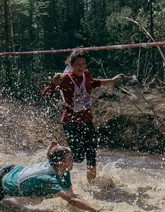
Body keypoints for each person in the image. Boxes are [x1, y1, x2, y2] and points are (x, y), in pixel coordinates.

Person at [42, 50, 124, 183]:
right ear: (72, 65)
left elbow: (94, 83)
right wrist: (53, 83)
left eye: (83, 63)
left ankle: (92, 185)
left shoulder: (86, 74)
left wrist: (111, 80)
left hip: (87, 120)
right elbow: (46, 95)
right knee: (78, 157)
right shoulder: (65, 78)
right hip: (70, 122)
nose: (81, 66)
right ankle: (55, 150)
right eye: (78, 64)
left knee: (91, 152)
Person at [0, 144, 117, 212]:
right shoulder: (50, 179)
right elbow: (71, 199)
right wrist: (98, 210)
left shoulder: (58, 165)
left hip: (10, 169)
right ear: (61, 163)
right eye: (70, 158)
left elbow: (51, 152)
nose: (73, 160)